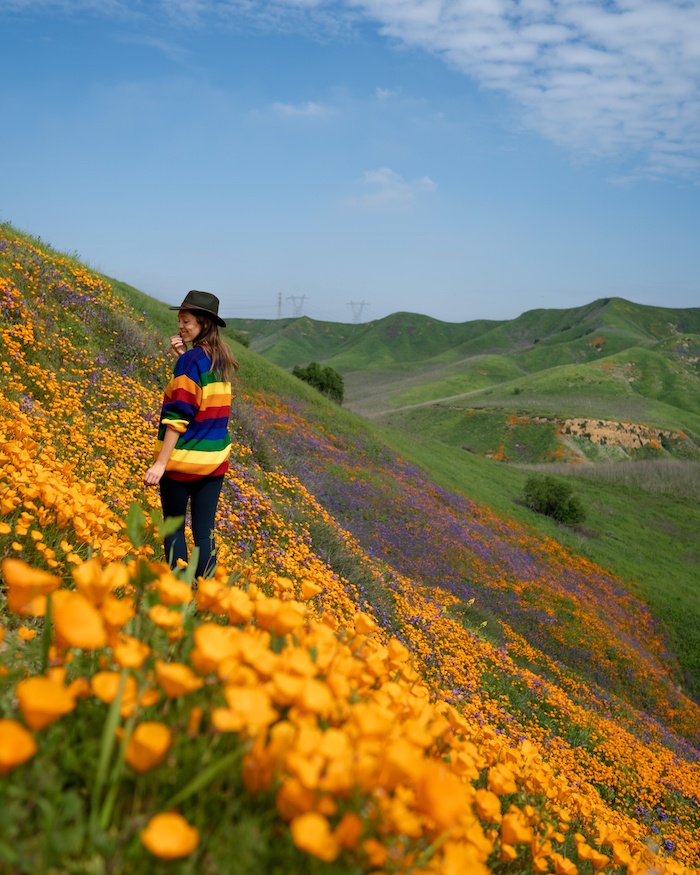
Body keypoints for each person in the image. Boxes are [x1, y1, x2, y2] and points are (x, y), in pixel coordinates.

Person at [144, 290, 238, 578]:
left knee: (173, 529)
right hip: (213, 464)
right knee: (204, 535)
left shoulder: (190, 362)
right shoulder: (220, 359)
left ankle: (179, 591)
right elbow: (205, 403)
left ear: (203, 323)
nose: (180, 326)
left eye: (186, 321)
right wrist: (186, 355)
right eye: (180, 320)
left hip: (183, 464)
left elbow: (178, 416)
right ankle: (206, 595)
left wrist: (161, 463)